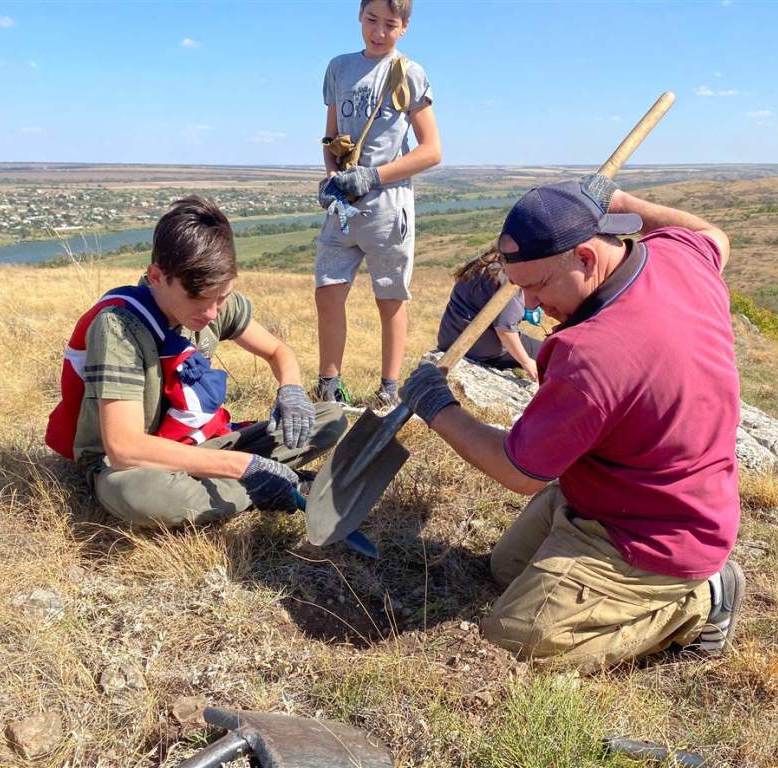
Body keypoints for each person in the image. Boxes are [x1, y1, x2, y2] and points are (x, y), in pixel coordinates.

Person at [399, 176, 744, 670]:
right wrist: (620, 203)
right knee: (507, 569)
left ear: (585, 257)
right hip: (624, 487)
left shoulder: (593, 354)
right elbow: (715, 235)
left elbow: (518, 472)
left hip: (657, 531)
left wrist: (439, 408)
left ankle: (700, 601)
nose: (532, 307)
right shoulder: (680, 256)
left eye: (537, 287)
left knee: (515, 638)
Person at [45, 196, 347, 528]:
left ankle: (248, 482)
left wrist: (291, 390)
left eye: (222, 297)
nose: (211, 313)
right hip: (133, 464)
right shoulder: (119, 326)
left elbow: (278, 352)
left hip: (198, 441)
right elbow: (123, 447)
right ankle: (265, 484)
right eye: (198, 300)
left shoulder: (212, 300)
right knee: (142, 496)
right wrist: (244, 468)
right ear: (157, 276)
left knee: (330, 419)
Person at [314, 0, 442, 408]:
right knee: (327, 292)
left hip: (388, 206)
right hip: (344, 206)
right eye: (372, 20)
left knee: (389, 299)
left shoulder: (408, 72)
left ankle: (389, 389)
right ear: (359, 17)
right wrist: (333, 176)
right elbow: (331, 136)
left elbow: (432, 151)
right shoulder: (338, 67)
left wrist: (373, 175)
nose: (378, 31)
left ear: (404, 27)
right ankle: (329, 385)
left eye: (390, 24)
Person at [436, 247, 541, 380]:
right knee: (551, 350)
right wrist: (527, 362)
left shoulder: (482, 261)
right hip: (480, 349)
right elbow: (505, 330)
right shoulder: (513, 275)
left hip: (449, 338)